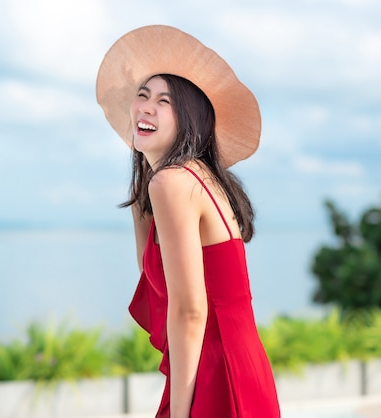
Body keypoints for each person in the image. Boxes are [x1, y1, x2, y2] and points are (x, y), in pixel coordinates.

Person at [96, 25, 281, 417]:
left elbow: (190, 309)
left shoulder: (173, 182)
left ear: (190, 118)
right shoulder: (185, 179)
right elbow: (158, 281)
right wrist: (142, 194)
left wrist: (180, 411)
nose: (145, 107)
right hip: (240, 362)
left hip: (216, 369)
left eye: (164, 101)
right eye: (141, 96)